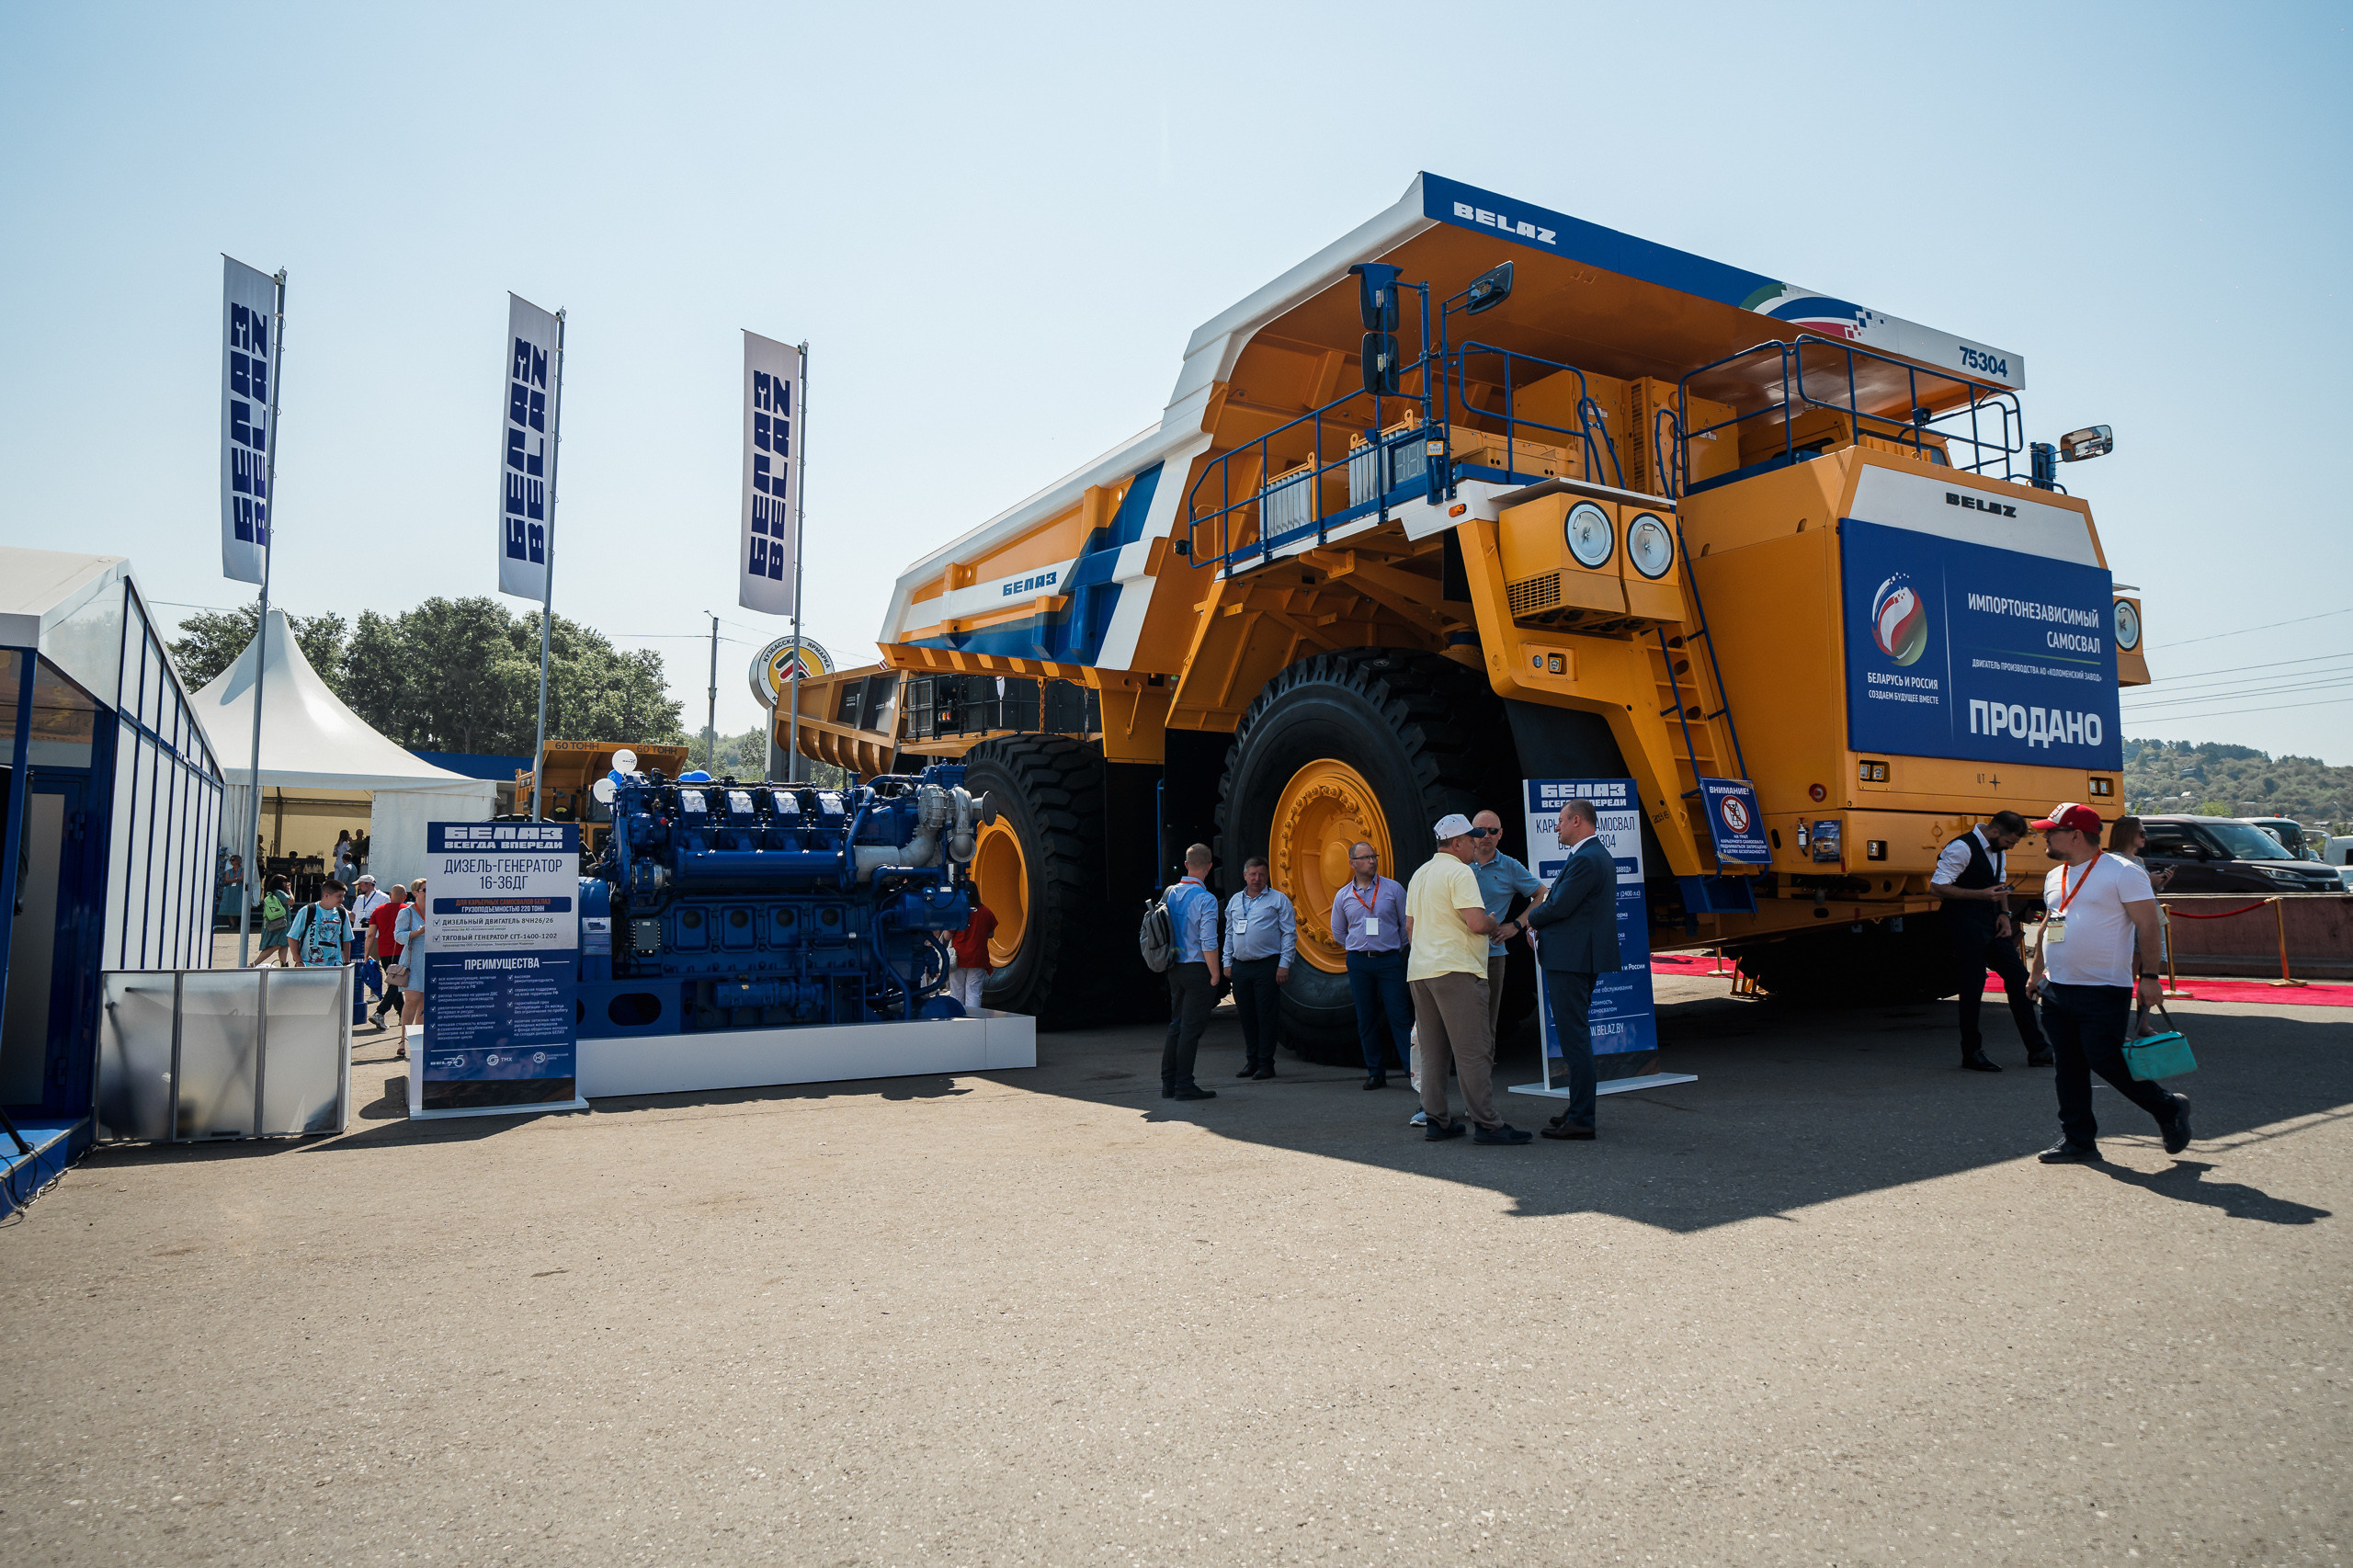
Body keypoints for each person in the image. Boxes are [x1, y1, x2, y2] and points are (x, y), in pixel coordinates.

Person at [2024, 803, 2193, 1164]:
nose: (2044, 837)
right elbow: (2048, 925)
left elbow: (2149, 925)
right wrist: (2036, 972)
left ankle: (2168, 1108)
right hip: (2058, 988)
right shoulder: (2056, 875)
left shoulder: (2123, 872)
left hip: (2103, 988)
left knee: (2106, 1060)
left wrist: (2149, 977)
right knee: (2067, 1068)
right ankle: (2078, 1140)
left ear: (2075, 834)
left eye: (2050, 831)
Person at [1404, 814, 1528, 1144]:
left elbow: (1410, 929)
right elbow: (1474, 923)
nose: (1477, 843)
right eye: (1471, 839)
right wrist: (1492, 921)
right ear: (1456, 843)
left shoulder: (1420, 874)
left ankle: (1437, 1120)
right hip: (1457, 969)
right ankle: (1487, 1124)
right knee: (1473, 1050)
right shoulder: (1459, 872)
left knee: (1433, 1052)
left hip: (1421, 971)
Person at [1524, 797, 1620, 1142]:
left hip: (1572, 960)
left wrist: (1530, 921)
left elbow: (1560, 905)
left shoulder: (1588, 859)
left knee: (1574, 1038)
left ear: (1578, 821)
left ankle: (1582, 1117)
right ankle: (1577, 1109)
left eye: (1561, 821)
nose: (1557, 827)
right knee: (1574, 1035)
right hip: (1575, 957)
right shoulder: (1590, 856)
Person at [1929, 809, 2052, 1073]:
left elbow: (2001, 884)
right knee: (1973, 986)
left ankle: (2038, 1048)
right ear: (1995, 831)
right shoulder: (1961, 847)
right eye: (2010, 841)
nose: (2011, 846)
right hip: (1963, 922)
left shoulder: (1998, 850)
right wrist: (1981, 895)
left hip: (1991, 921)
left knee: (2018, 977)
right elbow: (1937, 886)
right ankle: (1972, 1052)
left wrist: (2005, 915)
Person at [1331, 841, 1410, 1089]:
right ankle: (1376, 1072)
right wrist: (1358, 946)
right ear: (1352, 863)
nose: (1372, 861)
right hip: (1358, 963)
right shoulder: (1343, 896)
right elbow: (1338, 932)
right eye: (1365, 858)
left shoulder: (1393, 889)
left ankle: (1413, 1073)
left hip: (1388, 961)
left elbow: (1406, 925)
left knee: (1400, 1017)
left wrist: (1393, 948)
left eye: (1373, 856)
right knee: (1366, 1019)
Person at [1468, 809, 1543, 1039]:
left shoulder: (1510, 866)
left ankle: (1484, 1069)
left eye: (1492, 831)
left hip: (1493, 954)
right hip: (1459, 953)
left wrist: (1516, 926)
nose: (1486, 835)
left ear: (1500, 835)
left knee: (1489, 1019)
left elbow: (1542, 894)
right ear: (1471, 833)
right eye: (1481, 830)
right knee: (1462, 1017)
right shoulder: (1458, 863)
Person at [1222, 855, 1295, 1080]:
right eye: (1252, 874)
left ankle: (1266, 1063)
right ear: (1245, 875)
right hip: (1241, 967)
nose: (1257, 878)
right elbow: (1230, 933)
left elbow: (1289, 934)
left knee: (1266, 1016)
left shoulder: (1278, 900)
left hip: (1267, 965)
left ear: (1267, 876)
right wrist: (1227, 962)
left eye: (1261, 874)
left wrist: (1284, 965)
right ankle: (1251, 1061)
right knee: (1247, 1016)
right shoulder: (1235, 901)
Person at [1158, 846, 1222, 1101]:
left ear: (1186, 865)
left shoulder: (1170, 893)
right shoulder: (1206, 900)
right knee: (1191, 1029)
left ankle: (1169, 1083)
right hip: (1197, 969)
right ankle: (1185, 1084)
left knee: (1176, 1024)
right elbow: (1208, 941)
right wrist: (1215, 974)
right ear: (1208, 867)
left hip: (1174, 967)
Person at [2108, 815, 2175, 979]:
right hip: (2131, 920)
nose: (2145, 837)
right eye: (2141, 833)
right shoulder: (2115, 859)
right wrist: (2148, 879)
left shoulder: (2138, 860)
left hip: (2147, 915)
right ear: (2128, 834)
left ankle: (2142, 1002)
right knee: (2130, 968)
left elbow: (2147, 894)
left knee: (2148, 967)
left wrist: (2157, 884)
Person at [393, 878, 430, 1061]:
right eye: (425, 890)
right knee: (412, 1000)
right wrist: (418, 932)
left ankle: (417, 1044)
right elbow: (398, 936)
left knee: (424, 1005)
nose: (429, 892)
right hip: (412, 962)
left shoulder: (435, 911)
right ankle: (402, 1040)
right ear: (415, 892)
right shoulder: (407, 913)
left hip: (429, 963)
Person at [367, 881, 411, 1029]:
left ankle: (401, 1015)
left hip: (384, 953)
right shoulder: (408, 910)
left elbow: (371, 934)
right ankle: (380, 1012)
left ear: (390, 896)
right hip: (402, 952)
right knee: (396, 984)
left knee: (394, 983)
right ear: (405, 896)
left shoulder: (378, 910)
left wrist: (366, 954)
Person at [348, 873, 392, 1021]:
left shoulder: (383, 898)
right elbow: (354, 916)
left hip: (375, 935)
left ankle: (376, 992)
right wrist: (344, 911)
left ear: (369, 884)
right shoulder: (359, 899)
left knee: (373, 963)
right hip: (358, 935)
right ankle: (372, 992)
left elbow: (385, 917)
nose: (359, 887)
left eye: (360, 884)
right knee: (361, 963)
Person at [286, 877, 354, 971]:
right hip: (309, 965)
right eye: (339, 896)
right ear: (326, 895)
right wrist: (299, 961)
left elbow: (347, 939)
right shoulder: (308, 910)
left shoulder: (342, 912)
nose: (342, 899)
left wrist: (346, 963)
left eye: (343, 896)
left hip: (335, 966)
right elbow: (292, 937)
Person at [949, 900, 998, 1012]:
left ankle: (956, 1019)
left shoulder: (957, 911)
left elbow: (947, 936)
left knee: (956, 991)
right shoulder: (986, 911)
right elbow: (991, 934)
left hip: (958, 958)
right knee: (974, 991)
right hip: (978, 957)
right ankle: (973, 1020)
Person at [250, 875, 294, 966]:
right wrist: (289, 889)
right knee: (277, 944)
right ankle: (254, 963)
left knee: (284, 944)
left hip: (274, 923)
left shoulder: (272, 893)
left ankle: (284, 964)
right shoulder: (279, 893)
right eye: (285, 882)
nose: (286, 884)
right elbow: (291, 901)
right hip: (280, 923)